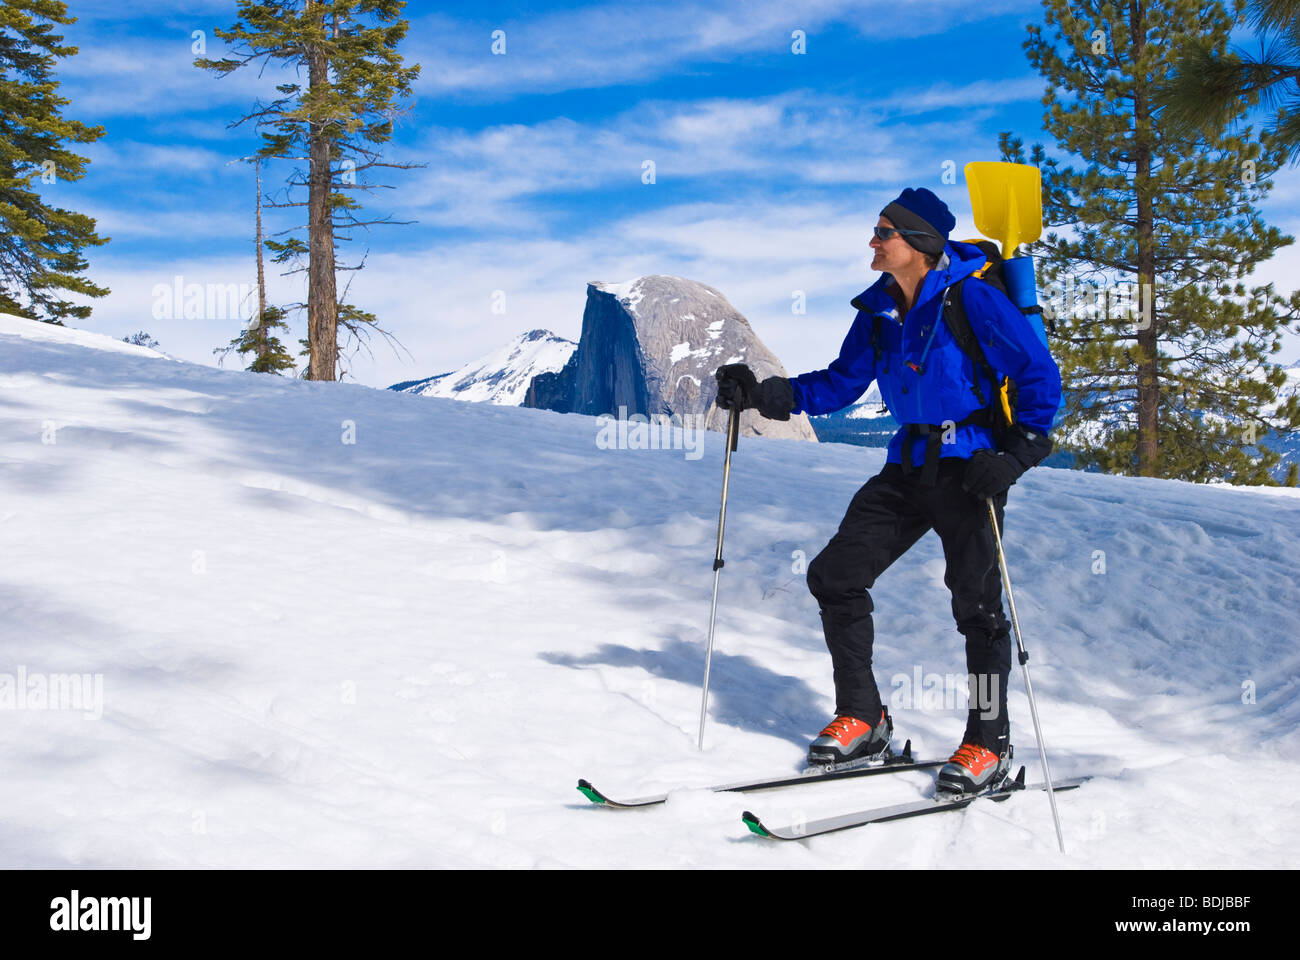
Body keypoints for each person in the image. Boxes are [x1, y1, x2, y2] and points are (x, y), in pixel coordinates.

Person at [714, 187, 1061, 796]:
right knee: (835, 575)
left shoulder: (973, 298)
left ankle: (988, 742)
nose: (873, 242)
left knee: (976, 609)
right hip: (908, 464)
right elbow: (841, 383)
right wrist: (763, 394)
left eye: (884, 232)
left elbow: (1036, 373)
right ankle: (864, 718)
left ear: (920, 244)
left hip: (972, 467)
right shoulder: (878, 311)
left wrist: (1018, 453)